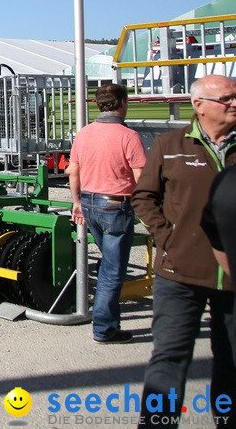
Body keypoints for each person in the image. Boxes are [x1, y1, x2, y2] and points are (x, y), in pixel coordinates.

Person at [131, 75, 236, 426]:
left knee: (232, 358)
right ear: (199, 105)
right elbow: (144, 197)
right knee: (170, 356)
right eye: (227, 98)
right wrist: (167, 238)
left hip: (233, 275)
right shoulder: (170, 144)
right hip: (179, 272)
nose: (234, 103)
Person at [67, 83, 147, 343]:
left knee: (108, 266)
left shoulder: (84, 134)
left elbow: (74, 172)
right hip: (115, 205)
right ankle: (104, 328)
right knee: (113, 271)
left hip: (90, 204)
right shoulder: (128, 136)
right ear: (122, 103)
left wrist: (76, 201)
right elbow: (141, 178)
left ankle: (106, 319)